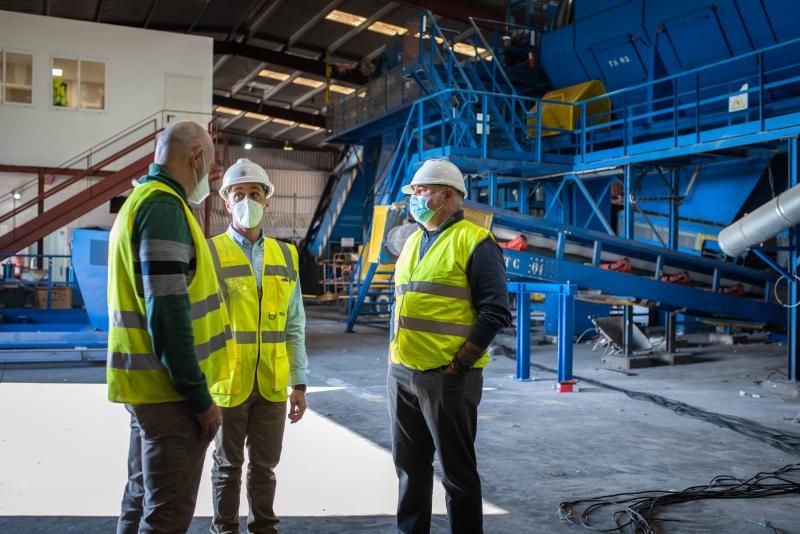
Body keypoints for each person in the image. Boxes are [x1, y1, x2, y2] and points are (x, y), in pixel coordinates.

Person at [108, 120, 235, 533]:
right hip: (172, 397)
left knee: (140, 499)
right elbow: (168, 313)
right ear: (197, 157)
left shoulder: (140, 200)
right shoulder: (163, 208)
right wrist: (199, 398)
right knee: (166, 516)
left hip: (149, 388)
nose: (209, 177)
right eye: (210, 164)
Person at [388, 159, 512, 534]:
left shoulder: (475, 241)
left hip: (447, 377)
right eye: (415, 192)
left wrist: (460, 365)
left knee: (457, 473)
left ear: (447, 195)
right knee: (409, 467)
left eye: (422, 191)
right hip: (402, 372)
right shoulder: (412, 241)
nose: (416, 198)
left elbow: (496, 311)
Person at [207, 158, 309, 534]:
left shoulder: (286, 254)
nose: (246, 200)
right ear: (225, 202)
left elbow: (295, 324)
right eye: (238, 194)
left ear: (267, 201)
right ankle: (225, 529)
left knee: (266, 466)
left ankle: (265, 528)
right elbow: (200, 324)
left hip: (271, 382)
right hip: (227, 381)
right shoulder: (211, 252)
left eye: (254, 193)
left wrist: (299, 383)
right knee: (227, 466)